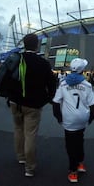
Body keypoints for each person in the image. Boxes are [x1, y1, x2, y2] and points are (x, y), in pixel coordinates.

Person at [8, 33, 56, 177]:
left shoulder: (16, 59)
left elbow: (8, 79)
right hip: (33, 105)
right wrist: (47, 98)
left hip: (15, 102)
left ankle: (20, 157)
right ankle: (29, 168)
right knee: (30, 134)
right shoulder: (42, 63)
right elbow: (52, 84)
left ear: (24, 44)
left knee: (18, 129)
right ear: (36, 45)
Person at [52, 58, 94, 183]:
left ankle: (73, 171)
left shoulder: (63, 84)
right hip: (82, 118)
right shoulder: (87, 85)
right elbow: (93, 105)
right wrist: (90, 119)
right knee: (80, 140)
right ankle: (80, 163)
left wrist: (59, 118)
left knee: (70, 145)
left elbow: (56, 103)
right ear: (82, 70)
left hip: (69, 119)